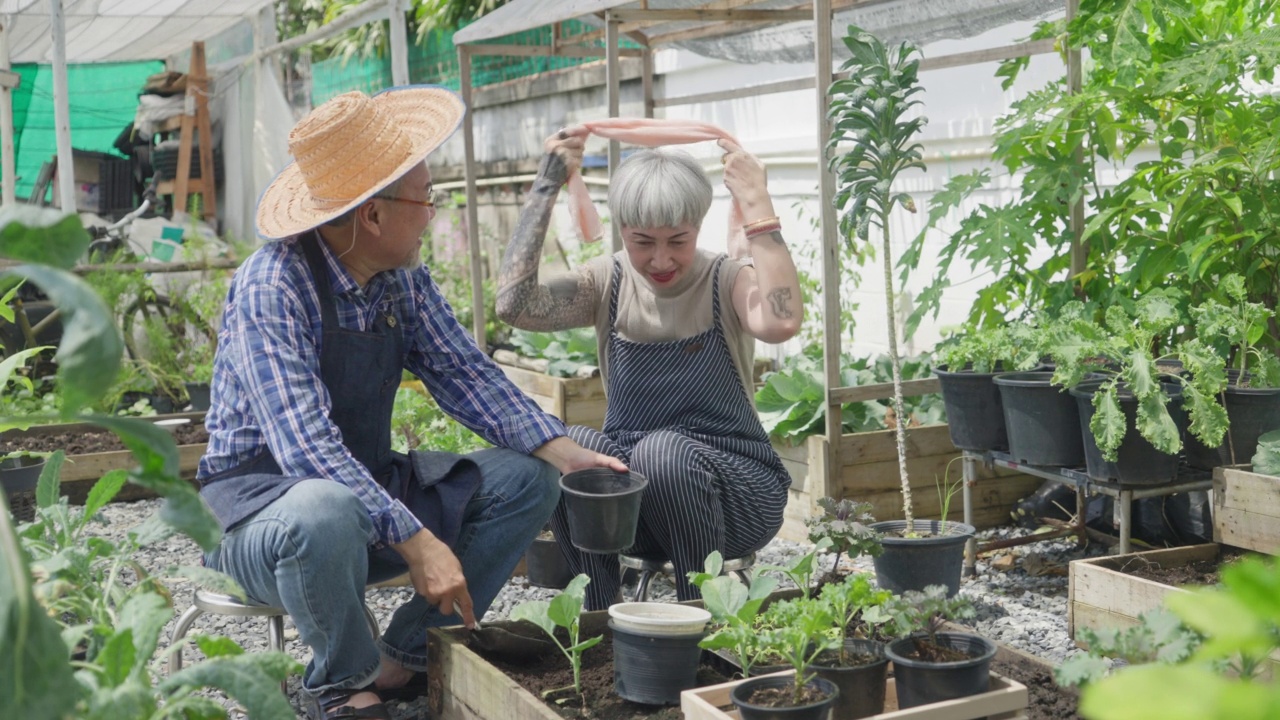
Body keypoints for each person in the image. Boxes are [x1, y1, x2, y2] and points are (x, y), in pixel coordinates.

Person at [196, 87, 625, 720]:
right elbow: (306, 453)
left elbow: (465, 374)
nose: (431, 213)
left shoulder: (400, 277)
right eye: (425, 197)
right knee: (322, 509)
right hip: (260, 518)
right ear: (372, 216)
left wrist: (568, 454)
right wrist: (418, 540)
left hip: (361, 495)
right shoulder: (274, 285)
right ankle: (339, 688)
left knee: (527, 480)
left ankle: (404, 660)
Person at [495, 125, 803, 611]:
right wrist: (547, 184)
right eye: (643, 242)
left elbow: (782, 322)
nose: (661, 259)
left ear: (698, 228)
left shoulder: (727, 280)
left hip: (738, 499)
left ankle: (702, 615)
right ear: (622, 232)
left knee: (664, 451)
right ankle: (600, 615)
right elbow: (514, 306)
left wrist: (758, 204)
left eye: (677, 241)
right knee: (570, 446)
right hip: (635, 508)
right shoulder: (606, 283)